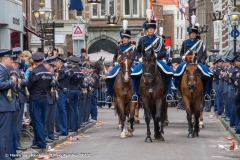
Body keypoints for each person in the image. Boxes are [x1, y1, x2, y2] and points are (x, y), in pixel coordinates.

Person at [131, 10, 174, 102]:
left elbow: (164, 52)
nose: (150, 30)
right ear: (146, 30)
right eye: (149, 29)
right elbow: (137, 51)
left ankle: (169, 93)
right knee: (134, 74)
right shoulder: (142, 39)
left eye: (152, 28)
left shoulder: (159, 40)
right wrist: (139, 57)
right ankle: (135, 94)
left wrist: (157, 56)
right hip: (145, 61)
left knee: (169, 73)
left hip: (156, 60)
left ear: (154, 30)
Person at [174, 23, 212, 101]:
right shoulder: (185, 42)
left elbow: (201, 53)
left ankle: (207, 93)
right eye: (191, 33)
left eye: (194, 33)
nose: (193, 35)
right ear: (189, 34)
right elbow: (181, 52)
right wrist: (183, 57)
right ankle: (176, 90)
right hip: (186, 61)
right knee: (177, 72)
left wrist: (197, 61)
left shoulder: (200, 42)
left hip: (196, 61)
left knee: (207, 73)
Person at [105, 20, 137, 103]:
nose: (124, 39)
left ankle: (137, 94)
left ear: (129, 39)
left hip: (130, 64)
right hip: (120, 64)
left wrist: (130, 61)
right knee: (109, 76)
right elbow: (115, 56)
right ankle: (109, 95)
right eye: (123, 38)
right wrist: (115, 61)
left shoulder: (133, 47)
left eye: (126, 38)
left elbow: (134, 56)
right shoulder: (119, 47)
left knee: (137, 76)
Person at [27, 52, 53, 149]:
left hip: (35, 98)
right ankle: (37, 140)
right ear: (42, 60)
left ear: (34, 61)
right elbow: (50, 83)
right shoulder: (48, 72)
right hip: (44, 98)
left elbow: (29, 85)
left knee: (36, 121)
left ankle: (40, 142)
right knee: (42, 120)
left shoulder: (34, 72)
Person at [0, 49, 17, 160]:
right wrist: (12, 82)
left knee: (7, 133)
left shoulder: (4, 69)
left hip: (6, 105)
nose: (12, 61)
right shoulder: (1, 69)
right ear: (4, 59)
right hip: (4, 105)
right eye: (10, 59)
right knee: (4, 133)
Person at [52, 56, 71, 136]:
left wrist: (55, 77)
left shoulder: (62, 71)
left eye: (57, 63)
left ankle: (63, 130)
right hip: (65, 91)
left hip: (62, 92)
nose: (56, 64)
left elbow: (57, 80)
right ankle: (64, 129)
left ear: (60, 63)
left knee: (61, 111)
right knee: (63, 111)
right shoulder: (66, 70)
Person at [43, 58, 59, 142]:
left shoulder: (52, 73)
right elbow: (49, 83)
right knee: (46, 118)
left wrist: (54, 80)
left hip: (52, 97)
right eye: (51, 66)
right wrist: (53, 80)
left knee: (51, 117)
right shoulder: (45, 73)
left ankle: (51, 133)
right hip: (47, 96)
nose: (53, 68)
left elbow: (57, 84)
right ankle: (45, 135)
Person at [68, 56, 84, 131]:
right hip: (77, 90)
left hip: (71, 90)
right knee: (77, 108)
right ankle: (78, 125)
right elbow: (81, 83)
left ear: (72, 63)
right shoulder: (81, 72)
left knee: (71, 108)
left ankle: (73, 127)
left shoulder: (72, 71)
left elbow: (68, 79)